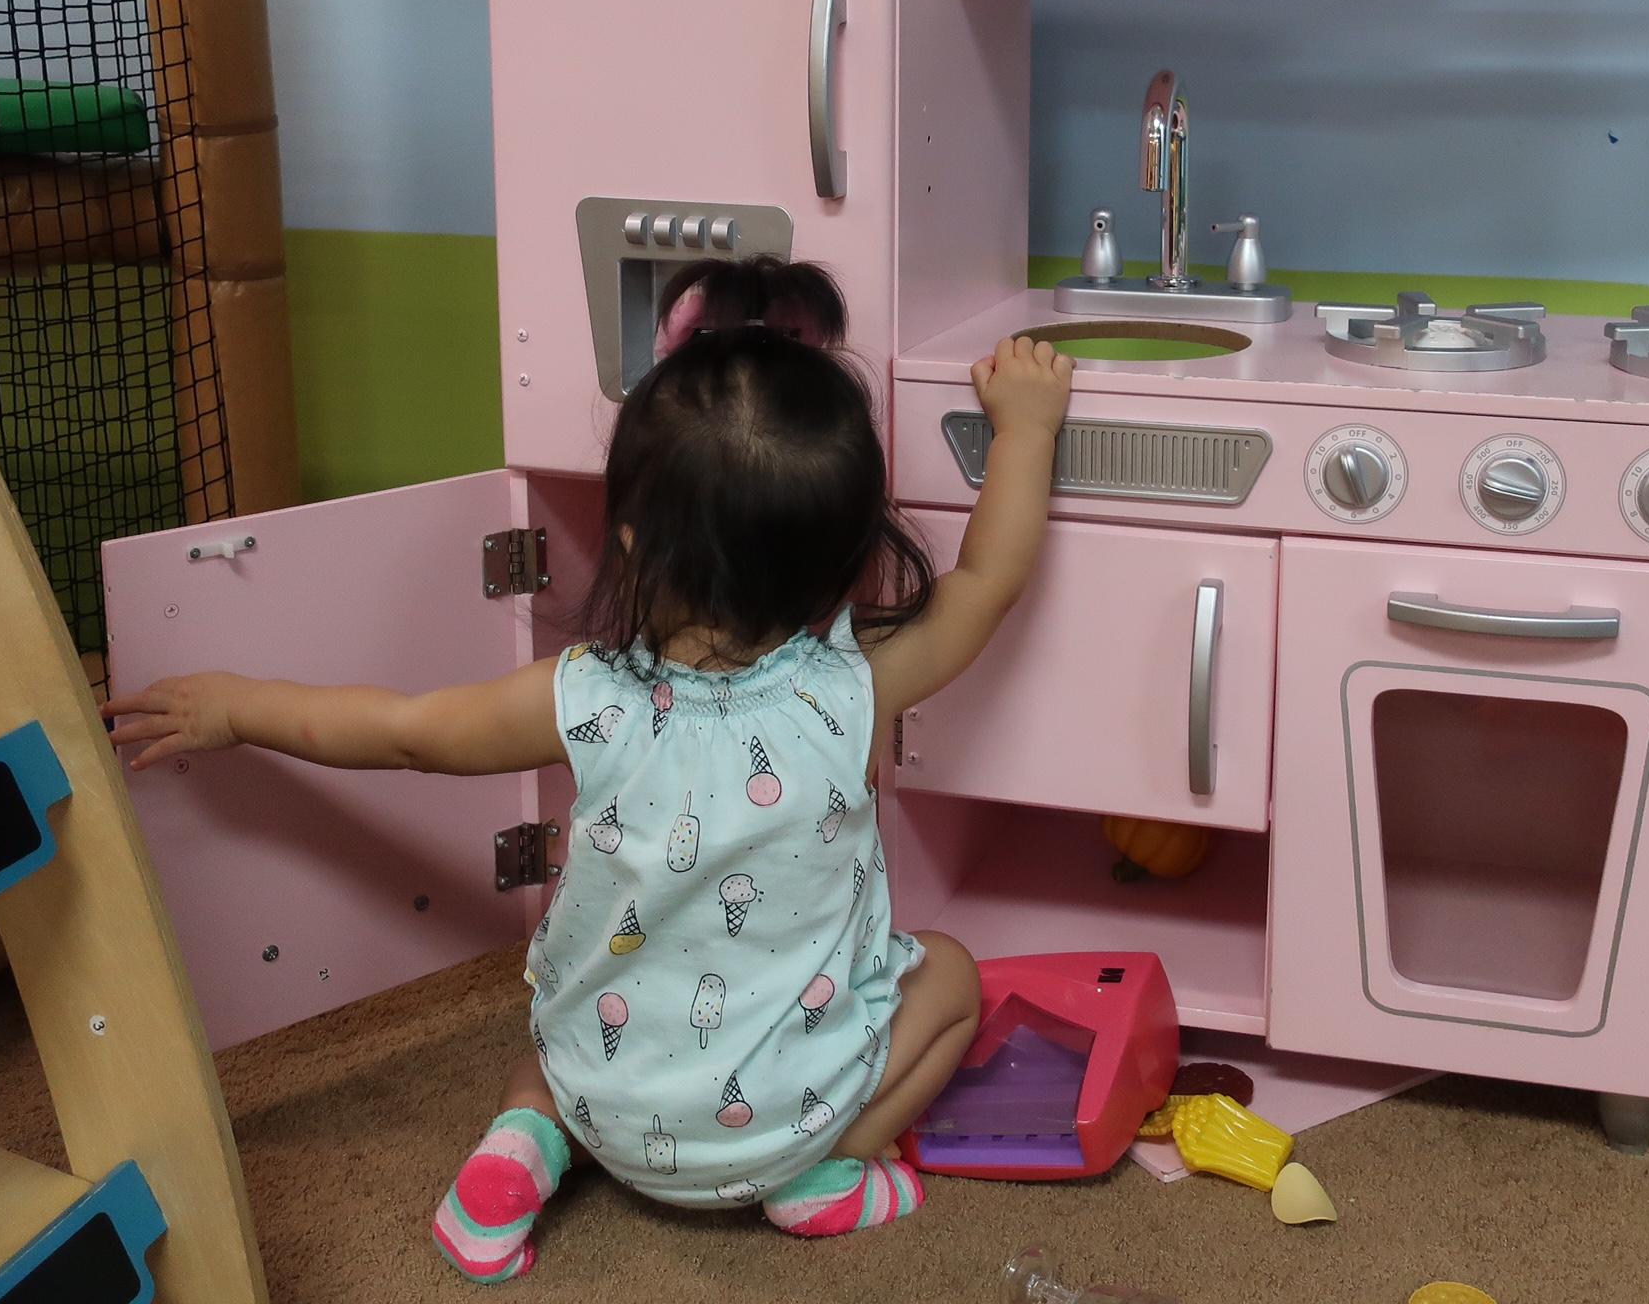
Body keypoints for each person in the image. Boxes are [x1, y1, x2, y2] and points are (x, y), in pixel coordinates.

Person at [102, 258, 1073, 1277]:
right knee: (949, 976)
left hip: (609, 1105)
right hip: (787, 1118)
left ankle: (524, 1144)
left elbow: (403, 732)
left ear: (632, 541)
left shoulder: (584, 697)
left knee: (556, 1029)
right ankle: (822, 1173)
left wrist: (237, 708)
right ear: (846, 555)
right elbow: (987, 581)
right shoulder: (858, 682)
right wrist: (1026, 429)